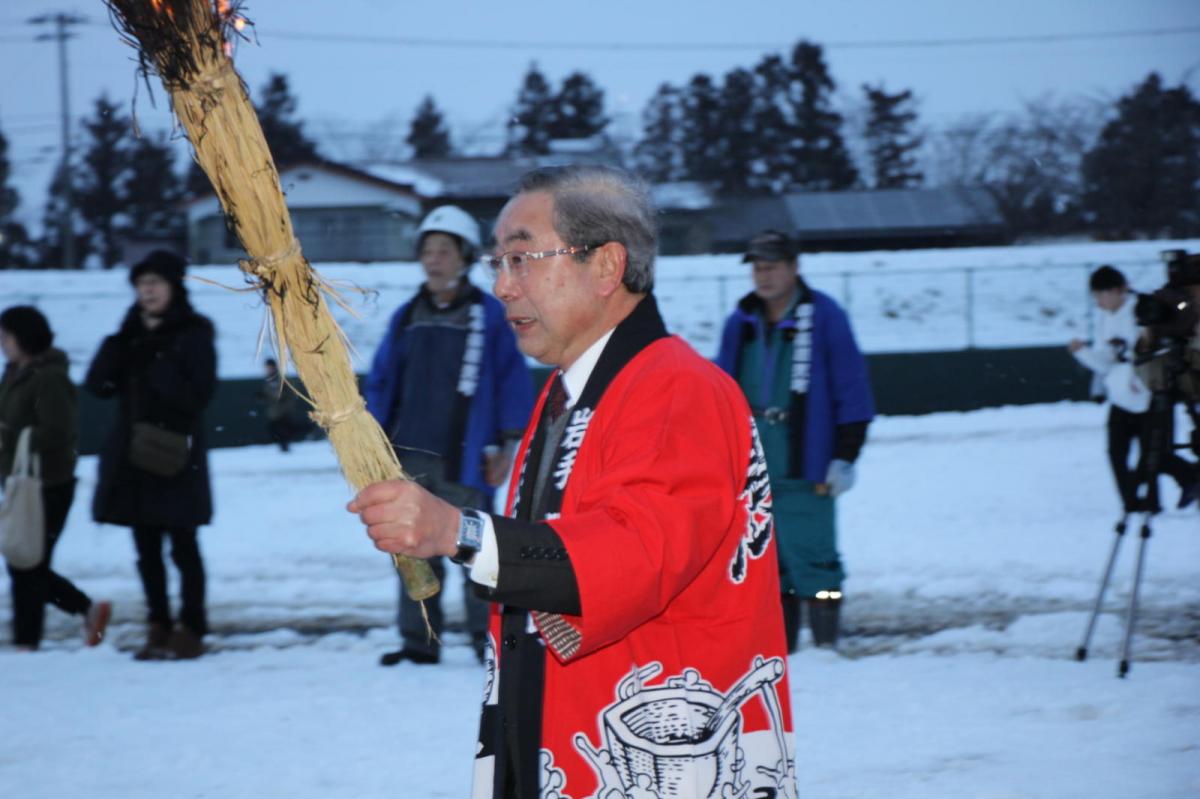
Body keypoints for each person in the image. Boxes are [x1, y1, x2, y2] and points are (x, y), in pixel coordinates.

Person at [350, 166, 796, 799]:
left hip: (666, 750)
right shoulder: (572, 392)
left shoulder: (678, 388)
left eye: (522, 258)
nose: (502, 286)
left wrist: (459, 531)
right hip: (564, 725)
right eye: (496, 263)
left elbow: (635, 551)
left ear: (607, 265)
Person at [365, 205, 533, 666]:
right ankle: (420, 641)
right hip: (408, 458)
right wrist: (371, 439)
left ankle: (488, 639)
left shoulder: (490, 316)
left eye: (444, 250)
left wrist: (506, 441)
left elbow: (510, 378)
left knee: (476, 549)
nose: (434, 259)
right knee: (410, 551)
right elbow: (381, 380)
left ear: (463, 257)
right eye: (427, 250)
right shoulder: (407, 316)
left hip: (467, 457)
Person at [716, 229, 875, 652]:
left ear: (793, 267)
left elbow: (851, 387)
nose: (762, 276)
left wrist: (845, 453)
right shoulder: (741, 321)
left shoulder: (824, 316)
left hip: (807, 458)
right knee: (769, 562)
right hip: (755, 460)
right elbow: (720, 389)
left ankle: (825, 646)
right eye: (757, 267)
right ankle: (781, 651)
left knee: (815, 555)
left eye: (771, 266)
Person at [85, 250, 218, 660]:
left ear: (174, 286)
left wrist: (157, 361)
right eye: (142, 284)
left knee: (183, 545)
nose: (148, 291)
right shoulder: (129, 333)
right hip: (134, 455)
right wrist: (120, 344)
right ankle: (158, 624)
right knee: (145, 548)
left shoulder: (195, 332)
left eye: (155, 283)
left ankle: (191, 627)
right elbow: (98, 386)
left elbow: (198, 395)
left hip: (178, 454)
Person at [0, 306, 111, 651]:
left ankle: (29, 641)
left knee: (28, 564)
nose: (3, 344)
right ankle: (86, 611)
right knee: (25, 563)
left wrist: (9, 436)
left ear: (25, 337)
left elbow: (58, 431)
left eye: (7, 337)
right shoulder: (15, 373)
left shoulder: (49, 377)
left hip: (49, 484)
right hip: (21, 483)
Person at [1069, 265, 1196, 511]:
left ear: (1119, 290)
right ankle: (1134, 502)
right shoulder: (1106, 318)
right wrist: (1083, 353)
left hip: (1148, 393)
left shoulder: (1142, 311)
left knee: (1154, 454)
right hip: (1122, 396)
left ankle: (1178, 485)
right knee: (1118, 453)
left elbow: (1150, 353)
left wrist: (1141, 381)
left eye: (1101, 295)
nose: (1099, 302)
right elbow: (1107, 360)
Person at [258, 357, 308, 452]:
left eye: (270, 367)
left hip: (284, 411)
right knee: (277, 431)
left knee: (283, 431)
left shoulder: (280, 379)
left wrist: (283, 398)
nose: (268, 369)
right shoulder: (269, 380)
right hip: (274, 413)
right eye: (267, 368)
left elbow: (289, 393)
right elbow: (270, 395)